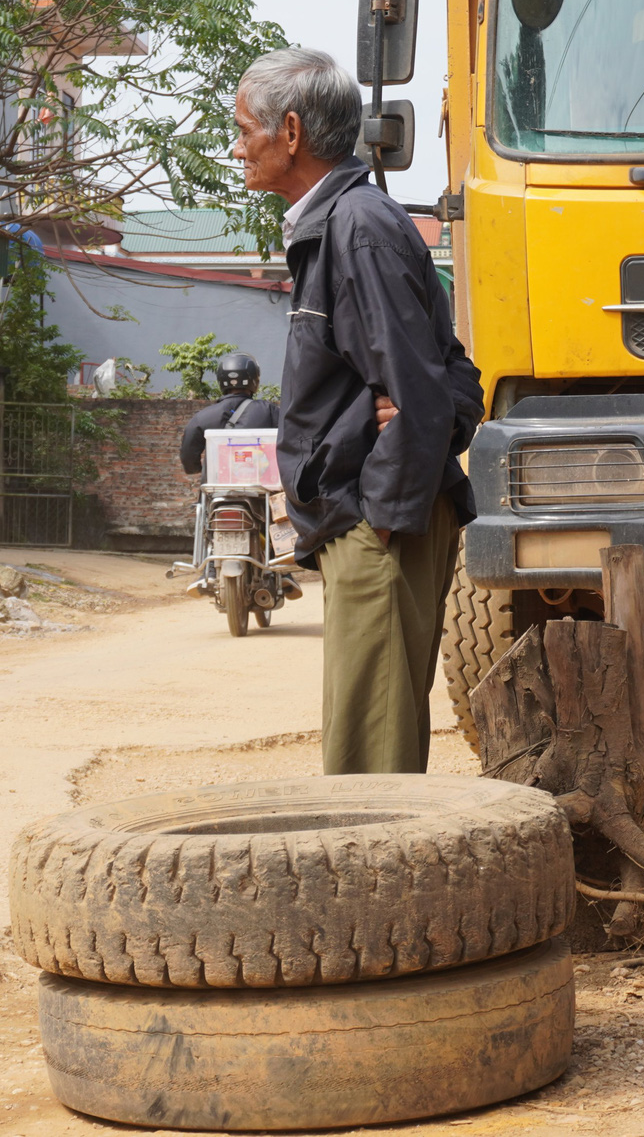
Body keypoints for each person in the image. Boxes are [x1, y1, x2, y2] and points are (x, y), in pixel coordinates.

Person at [232, 47, 484, 774]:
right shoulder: (345, 222)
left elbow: (427, 389)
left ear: (289, 133)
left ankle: (387, 887)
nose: (236, 145)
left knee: (369, 764)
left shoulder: (357, 227)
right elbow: (447, 373)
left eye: (244, 128)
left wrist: (382, 512)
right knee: (371, 741)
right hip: (375, 517)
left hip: (382, 524)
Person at [179, 352, 280, 475]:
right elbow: (290, 442)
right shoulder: (269, 411)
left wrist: (196, 469)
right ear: (254, 379)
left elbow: (187, 456)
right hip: (261, 487)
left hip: (216, 487)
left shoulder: (202, 417)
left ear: (221, 380)